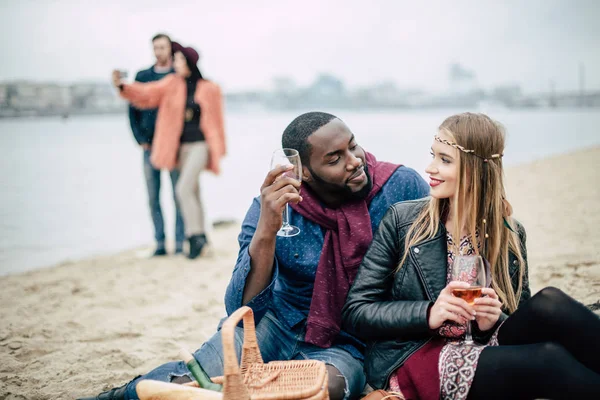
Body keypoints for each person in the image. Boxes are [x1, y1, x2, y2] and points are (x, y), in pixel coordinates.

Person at [79, 112, 430, 400]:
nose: (355, 163)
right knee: (196, 379)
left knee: (325, 390)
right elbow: (241, 306)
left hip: (346, 340)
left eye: (353, 146)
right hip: (274, 324)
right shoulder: (273, 207)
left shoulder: (400, 188)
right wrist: (267, 229)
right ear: (302, 172)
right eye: (335, 159)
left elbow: (427, 266)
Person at [342, 112, 600, 399]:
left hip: (481, 343)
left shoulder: (510, 233)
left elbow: (520, 317)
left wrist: (494, 320)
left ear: (475, 169)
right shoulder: (403, 221)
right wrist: (429, 313)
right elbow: (357, 311)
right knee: (549, 360)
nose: (431, 168)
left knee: (549, 303)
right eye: (433, 156)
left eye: (445, 160)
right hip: (416, 355)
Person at [113, 42, 226, 259]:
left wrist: (218, 149)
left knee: (182, 189)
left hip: (201, 145)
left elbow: (218, 121)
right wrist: (123, 87)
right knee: (193, 191)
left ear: (189, 63)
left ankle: (194, 237)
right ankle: (203, 237)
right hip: (179, 146)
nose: (176, 63)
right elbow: (146, 94)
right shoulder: (171, 84)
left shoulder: (209, 88)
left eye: (179, 60)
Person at [129, 33, 185, 256]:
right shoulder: (143, 76)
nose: (159, 51)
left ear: (170, 49)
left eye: (162, 47)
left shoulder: (178, 75)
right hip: (149, 146)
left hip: (173, 146)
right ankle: (160, 243)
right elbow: (132, 108)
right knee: (153, 196)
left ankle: (180, 243)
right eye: (155, 48)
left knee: (178, 194)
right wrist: (139, 139)